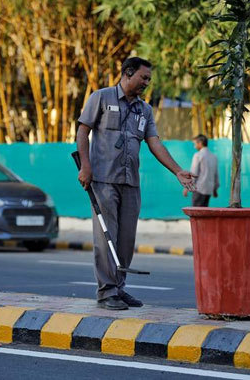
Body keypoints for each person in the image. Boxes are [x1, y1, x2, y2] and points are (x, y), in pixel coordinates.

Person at [76, 57, 195, 310]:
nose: (147, 83)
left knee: (126, 240)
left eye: (149, 79)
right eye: (144, 78)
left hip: (131, 182)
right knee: (106, 238)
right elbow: (82, 131)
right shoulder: (101, 97)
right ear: (128, 73)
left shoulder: (145, 110)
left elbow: (154, 143)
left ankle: (119, 288)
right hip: (104, 180)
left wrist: (177, 171)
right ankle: (106, 292)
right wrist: (86, 166)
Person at [183, 134, 219, 207]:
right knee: (204, 211)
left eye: (195, 144)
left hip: (199, 189)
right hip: (209, 190)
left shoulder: (198, 155)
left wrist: (187, 187)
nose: (194, 146)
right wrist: (215, 189)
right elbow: (216, 174)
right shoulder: (214, 157)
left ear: (200, 143)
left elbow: (193, 173)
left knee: (196, 212)